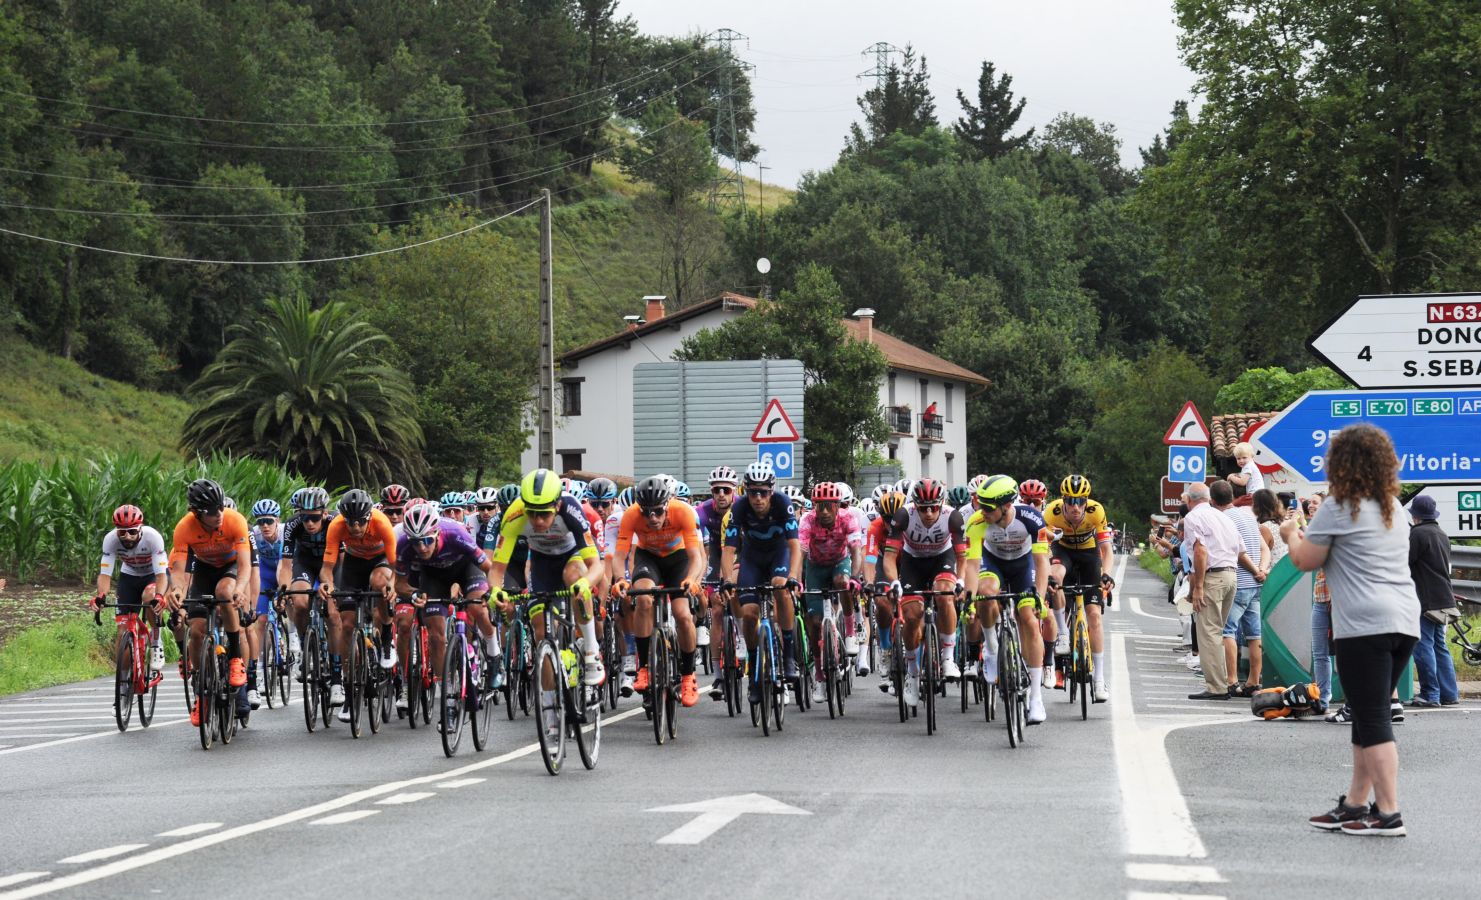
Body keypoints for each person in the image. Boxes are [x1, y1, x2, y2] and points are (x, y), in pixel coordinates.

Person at [1284, 423, 1419, 837]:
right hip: (1404, 620)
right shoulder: (1395, 507)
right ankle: (1356, 805)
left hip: (1363, 624)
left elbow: (1306, 561)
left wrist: (1291, 535)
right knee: (1365, 713)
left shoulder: (1340, 506)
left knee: (1374, 717)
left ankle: (1389, 812)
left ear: (1341, 463)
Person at [1181, 481, 1243, 700]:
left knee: (1208, 633)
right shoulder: (1225, 517)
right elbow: (1240, 549)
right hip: (1231, 575)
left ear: (1190, 500)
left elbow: (1200, 551)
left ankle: (1216, 687)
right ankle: (1224, 681)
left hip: (1213, 577)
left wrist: (1197, 586)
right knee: (1219, 631)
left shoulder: (1193, 517)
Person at [1216, 480, 1269, 696]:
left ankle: (1231, 680)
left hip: (1239, 582)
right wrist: (1262, 570)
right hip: (1256, 585)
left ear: (1213, 500)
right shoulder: (1248, 517)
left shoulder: (1224, 518)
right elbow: (1264, 547)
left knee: (1227, 631)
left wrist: (1254, 569)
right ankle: (1254, 681)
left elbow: (1237, 550)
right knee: (1254, 634)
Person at [1407, 494, 1459, 709]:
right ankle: (1449, 693)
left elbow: (1405, 563)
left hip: (1425, 599)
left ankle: (1430, 694)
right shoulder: (1441, 534)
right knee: (1440, 645)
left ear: (1415, 516)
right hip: (1444, 597)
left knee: (1423, 645)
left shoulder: (1417, 534)